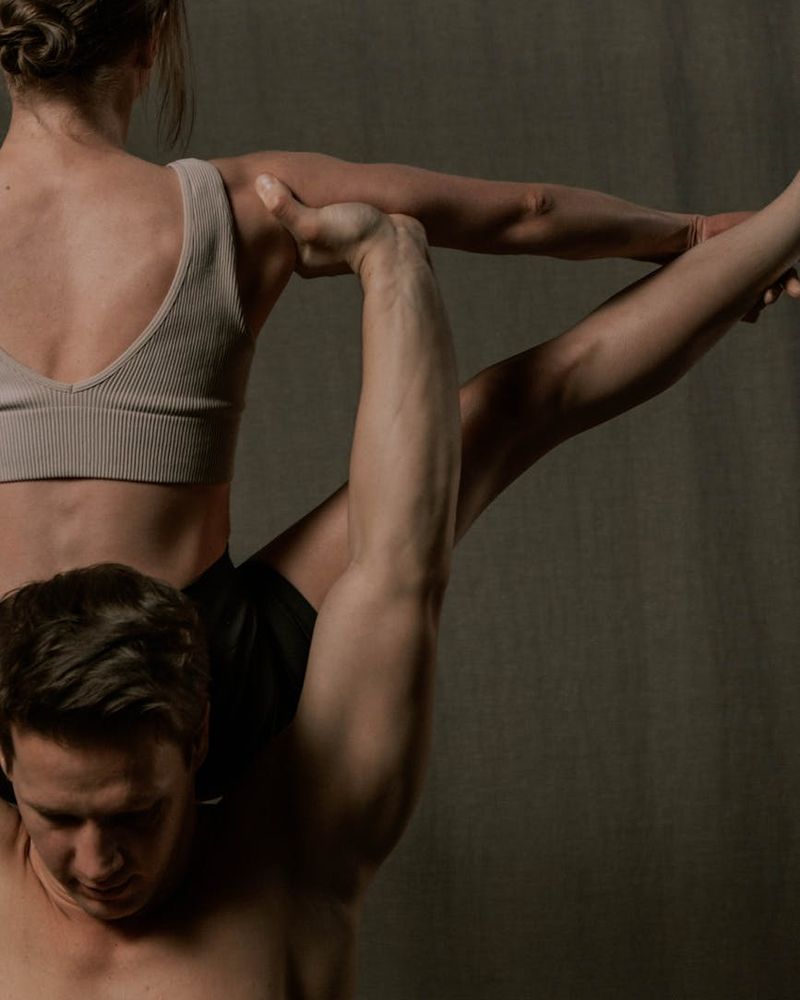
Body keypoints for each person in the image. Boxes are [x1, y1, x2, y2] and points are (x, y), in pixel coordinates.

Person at [0, 171, 799, 997]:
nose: (97, 865)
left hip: (165, 665)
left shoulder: (293, 868)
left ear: (201, 747)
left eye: (137, 814)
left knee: (486, 434)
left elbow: (403, 558)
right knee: (503, 416)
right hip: (63, 660)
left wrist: (391, 266)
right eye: (58, 818)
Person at [0, 0, 793, 795]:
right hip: (207, 675)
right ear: (150, 42)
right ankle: (782, 225)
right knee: (513, 406)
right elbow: (527, 213)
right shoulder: (245, 202)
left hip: (18, 715)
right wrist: (690, 238)